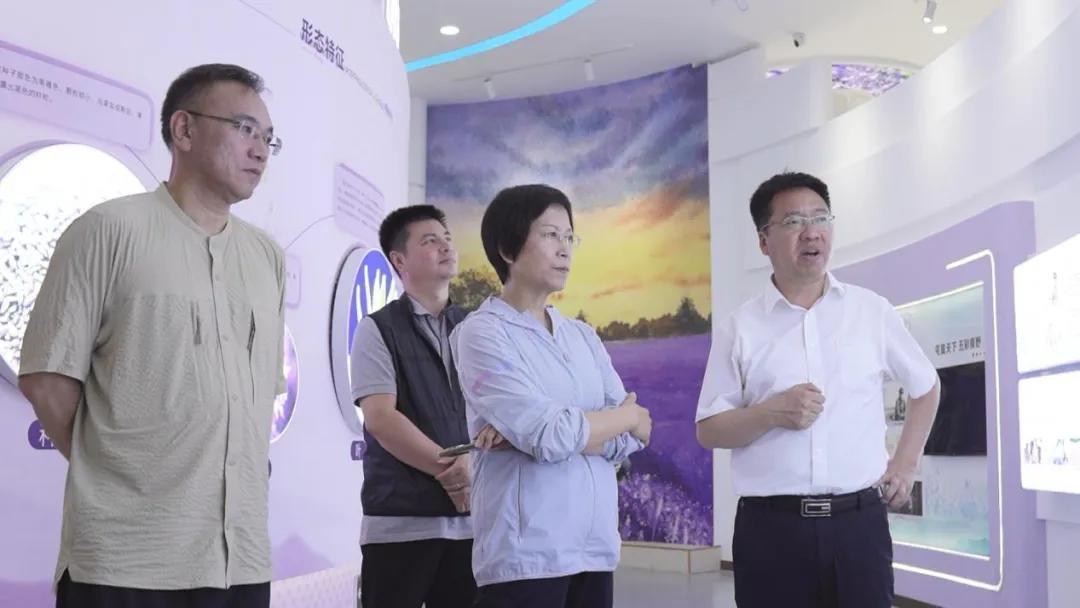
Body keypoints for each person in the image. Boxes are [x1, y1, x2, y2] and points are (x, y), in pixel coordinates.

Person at [18, 63, 285, 608]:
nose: (259, 150)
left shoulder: (266, 257)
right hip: (127, 559)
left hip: (241, 559)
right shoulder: (108, 229)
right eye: (244, 128)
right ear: (184, 130)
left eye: (268, 138)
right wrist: (122, 470)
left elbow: (260, 399)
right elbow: (48, 378)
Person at [695, 172, 941, 607]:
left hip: (858, 527)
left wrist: (904, 464)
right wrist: (770, 413)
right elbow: (709, 430)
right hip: (771, 531)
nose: (811, 232)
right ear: (763, 241)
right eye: (793, 222)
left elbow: (926, 387)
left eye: (821, 218)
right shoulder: (741, 327)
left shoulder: (871, 311)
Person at [451, 184, 652, 608]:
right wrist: (625, 417)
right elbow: (548, 434)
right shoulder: (482, 333)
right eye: (550, 235)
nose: (564, 249)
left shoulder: (582, 335)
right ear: (507, 249)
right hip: (526, 557)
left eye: (569, 237)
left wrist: (545, 435)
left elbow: (636, 437)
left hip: (594, 549)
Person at [350, 205, 478, 607]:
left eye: (447, 239)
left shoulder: (476, 328)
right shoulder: (377, 328)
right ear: (399, 260)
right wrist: (453, 472)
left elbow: (497, 412)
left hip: (474, 525)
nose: (445, 247)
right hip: (400, 524)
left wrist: (474, 470)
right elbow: (381, 418)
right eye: (430, 241)